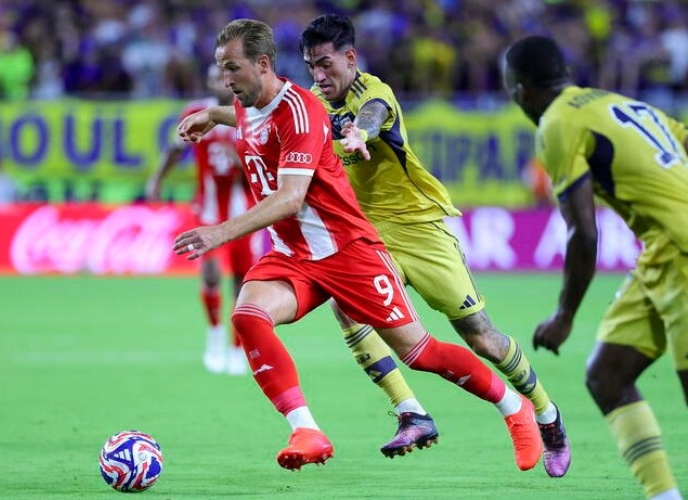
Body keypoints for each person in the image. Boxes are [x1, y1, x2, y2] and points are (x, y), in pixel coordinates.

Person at [174, 18, 542, 472]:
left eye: (232, 68)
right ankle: (307, 431)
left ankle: (514, 407)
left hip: (348, 251)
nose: (224, 78)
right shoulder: (248, 104)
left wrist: (218, 232)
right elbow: (251, 118)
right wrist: (214, 116)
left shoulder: (302, 111)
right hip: (294, 256)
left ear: (263, 64)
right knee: (249, 316)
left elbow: (290, 199)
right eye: (220, 68)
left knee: (420, 353)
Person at [298, 14, 571, 477]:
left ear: (350, 57)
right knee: (346, 307)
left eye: (326, 63)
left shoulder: (374, 92)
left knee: (481, 336)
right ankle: (411, 411)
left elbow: (372, 116)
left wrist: (360, 133)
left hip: (419, 228)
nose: (319, 75)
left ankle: (547, 415)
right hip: (367, 232)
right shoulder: (312, 103)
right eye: (311, 66)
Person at [503, 35, 687, 500]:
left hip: (680, 251)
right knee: (607, 375)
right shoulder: (622, 104)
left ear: (522, 91)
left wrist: (565, 315)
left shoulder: (557, 123)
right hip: (660, 252)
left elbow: (583, 233)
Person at [146, 65, 258, 376]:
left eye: (224, 77)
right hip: (207, 211)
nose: (220, 83)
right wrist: (157, 179)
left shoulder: (251, 114)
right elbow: (175, 149)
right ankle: (215, 335)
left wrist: (243, 162)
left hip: (244, 213)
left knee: (241, 281)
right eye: (214, 79)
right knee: (210, 274)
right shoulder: (196, 112)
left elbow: (267, 163)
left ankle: (237, 347)